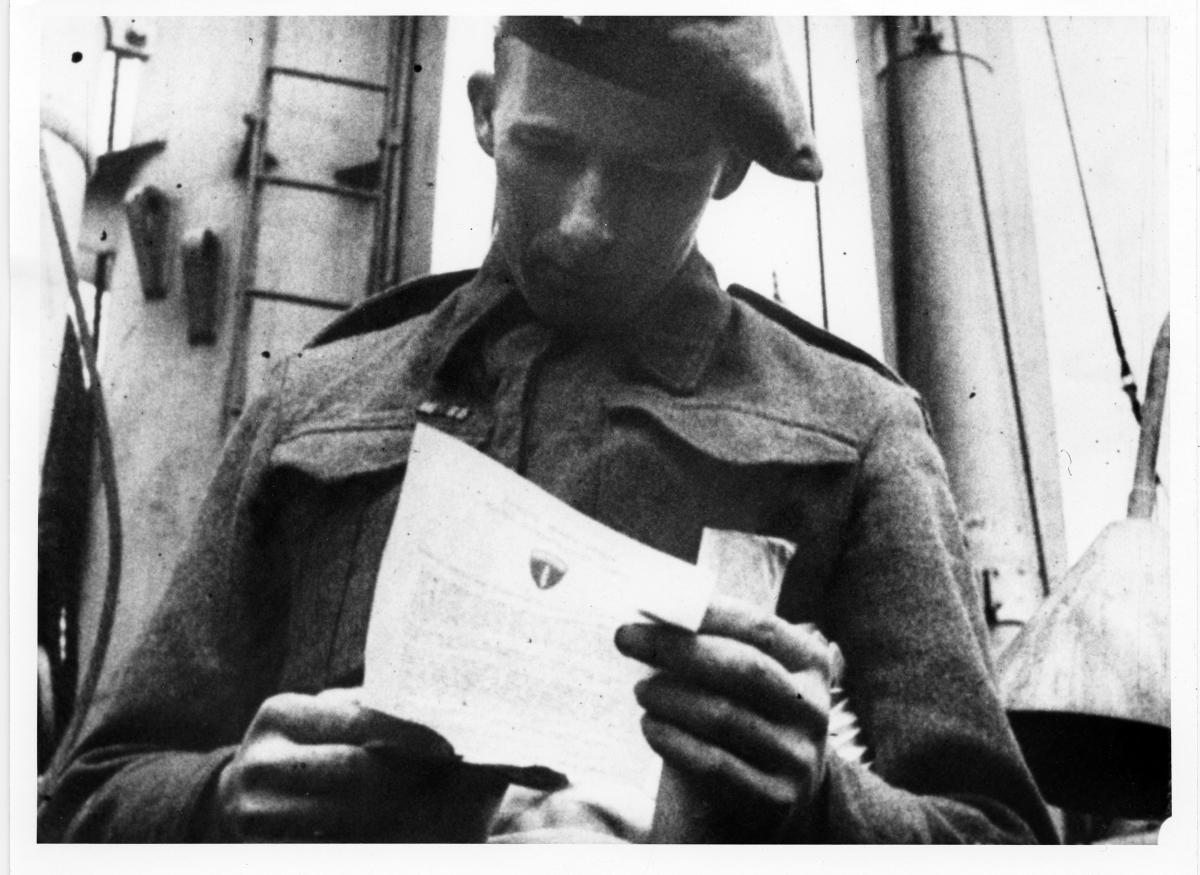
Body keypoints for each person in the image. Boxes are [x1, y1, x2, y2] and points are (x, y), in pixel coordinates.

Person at [38, 16, 1057, 843]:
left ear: (729, 172)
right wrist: (222, 800)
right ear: (486, 115)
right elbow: (85, 803)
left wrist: (824, 804)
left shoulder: (857, 427)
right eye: (548, 149)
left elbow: (1001, 837)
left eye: (657, 174)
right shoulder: (313, 399)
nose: (586, 223)